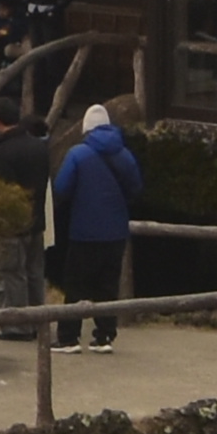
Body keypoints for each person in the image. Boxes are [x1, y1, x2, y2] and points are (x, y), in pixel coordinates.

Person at [43, 100, 144, 348]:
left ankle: (69, 337)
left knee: (76, 284)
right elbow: (136, 188)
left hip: (84, 231)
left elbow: (62, 187)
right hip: (117, 231)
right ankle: (105, 336)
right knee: (108, 285)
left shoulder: (78, 154)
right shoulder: (125, 154)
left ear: (86, 129)